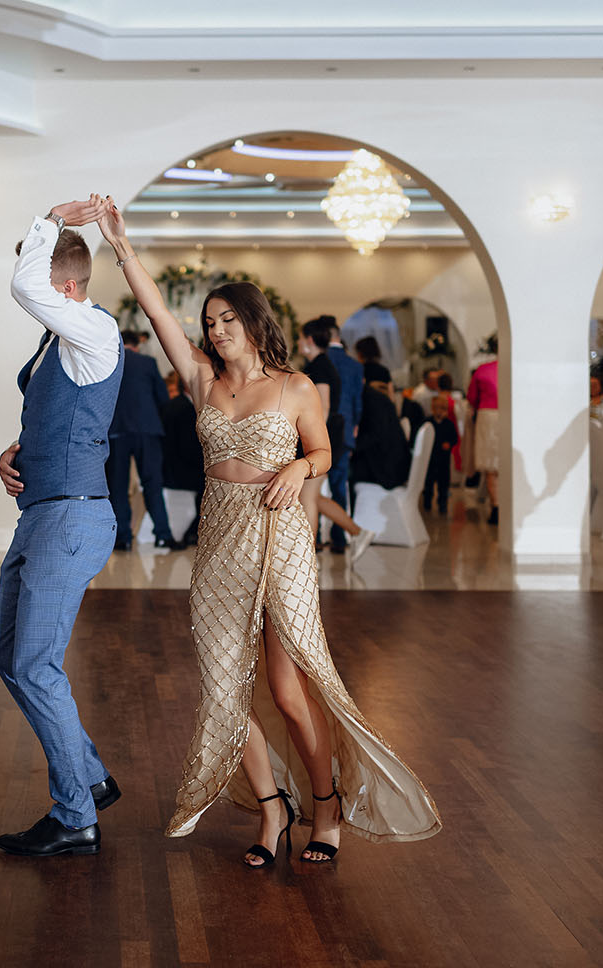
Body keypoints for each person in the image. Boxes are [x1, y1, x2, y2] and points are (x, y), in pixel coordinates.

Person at [101, 195, 440, 866]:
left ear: (254, 323)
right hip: (219, 542)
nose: (216, 330)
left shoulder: (296, 387)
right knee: (223, 691)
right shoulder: (200, 379)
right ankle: (271, 810)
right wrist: (121, 247)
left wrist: (300, 467)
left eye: (228, 319)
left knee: (289, 690)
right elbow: (157, 313)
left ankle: (325, 804)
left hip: (280, 541)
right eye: (210, 322)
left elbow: (324, 452)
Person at [0, 198, 123, 858]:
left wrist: (49, 218)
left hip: (71, 516)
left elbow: (24, 286)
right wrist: (17, 453)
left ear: (66, 290)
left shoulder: (94, 331)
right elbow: (57, 418)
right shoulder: (61, 344)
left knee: (36, 666)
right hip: (43, 511)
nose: (31, 297)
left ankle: (76, 814)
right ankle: (90, 777)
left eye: (43, 282)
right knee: (7, 657)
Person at [298, 319, 367, 557]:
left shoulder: (320, 366)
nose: (298, 342)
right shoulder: (322, 364)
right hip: (332, 435)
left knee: (308, 495)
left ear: (309, 340)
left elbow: (324, 407)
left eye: (300, 338)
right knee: (313, 495)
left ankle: (306, 554)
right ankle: (357, 532)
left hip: (324, 438)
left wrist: (314, 442)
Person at [106, 329, 179, 551]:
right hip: (146, 430)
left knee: (118, 486)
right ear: (137, 345)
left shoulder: (110, 361)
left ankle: (123, 538)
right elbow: (163, 397)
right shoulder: (147, 362)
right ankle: (163, 534)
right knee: (152, 483)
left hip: (116, 430)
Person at [324, 317, 364, 554]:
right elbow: (358, 403)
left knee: (313, 489)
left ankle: (314, 536)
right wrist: (354, 426)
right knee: (339, 487)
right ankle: (339, 538)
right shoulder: (354, 365)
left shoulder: (320, 360)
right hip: (345, 430)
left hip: (322, 429)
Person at [161, 374, 205, 546]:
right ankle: (193, 532)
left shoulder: (172, 405)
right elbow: (188, 447)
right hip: (180, 469)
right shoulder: (186, 409)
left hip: (171, 465)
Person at [466, 355, 500, 525]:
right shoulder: (514, 367)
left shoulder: (483, 370)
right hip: (511, 414)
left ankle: (496, 505)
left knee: (490, 464)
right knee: (506, 461)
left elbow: (472, 397)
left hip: (487, 416)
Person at [423, 393, 459, 514]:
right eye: (436, 408)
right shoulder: (428, 423)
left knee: (443, 483)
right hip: (430, 458)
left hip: (444, 459)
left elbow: (455, 438)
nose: (439, 411)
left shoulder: (449, 424)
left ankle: (442, 503)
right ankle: (427, 501)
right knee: (428, 481)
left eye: (442, 409)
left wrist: (449, 444)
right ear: (433, 408)